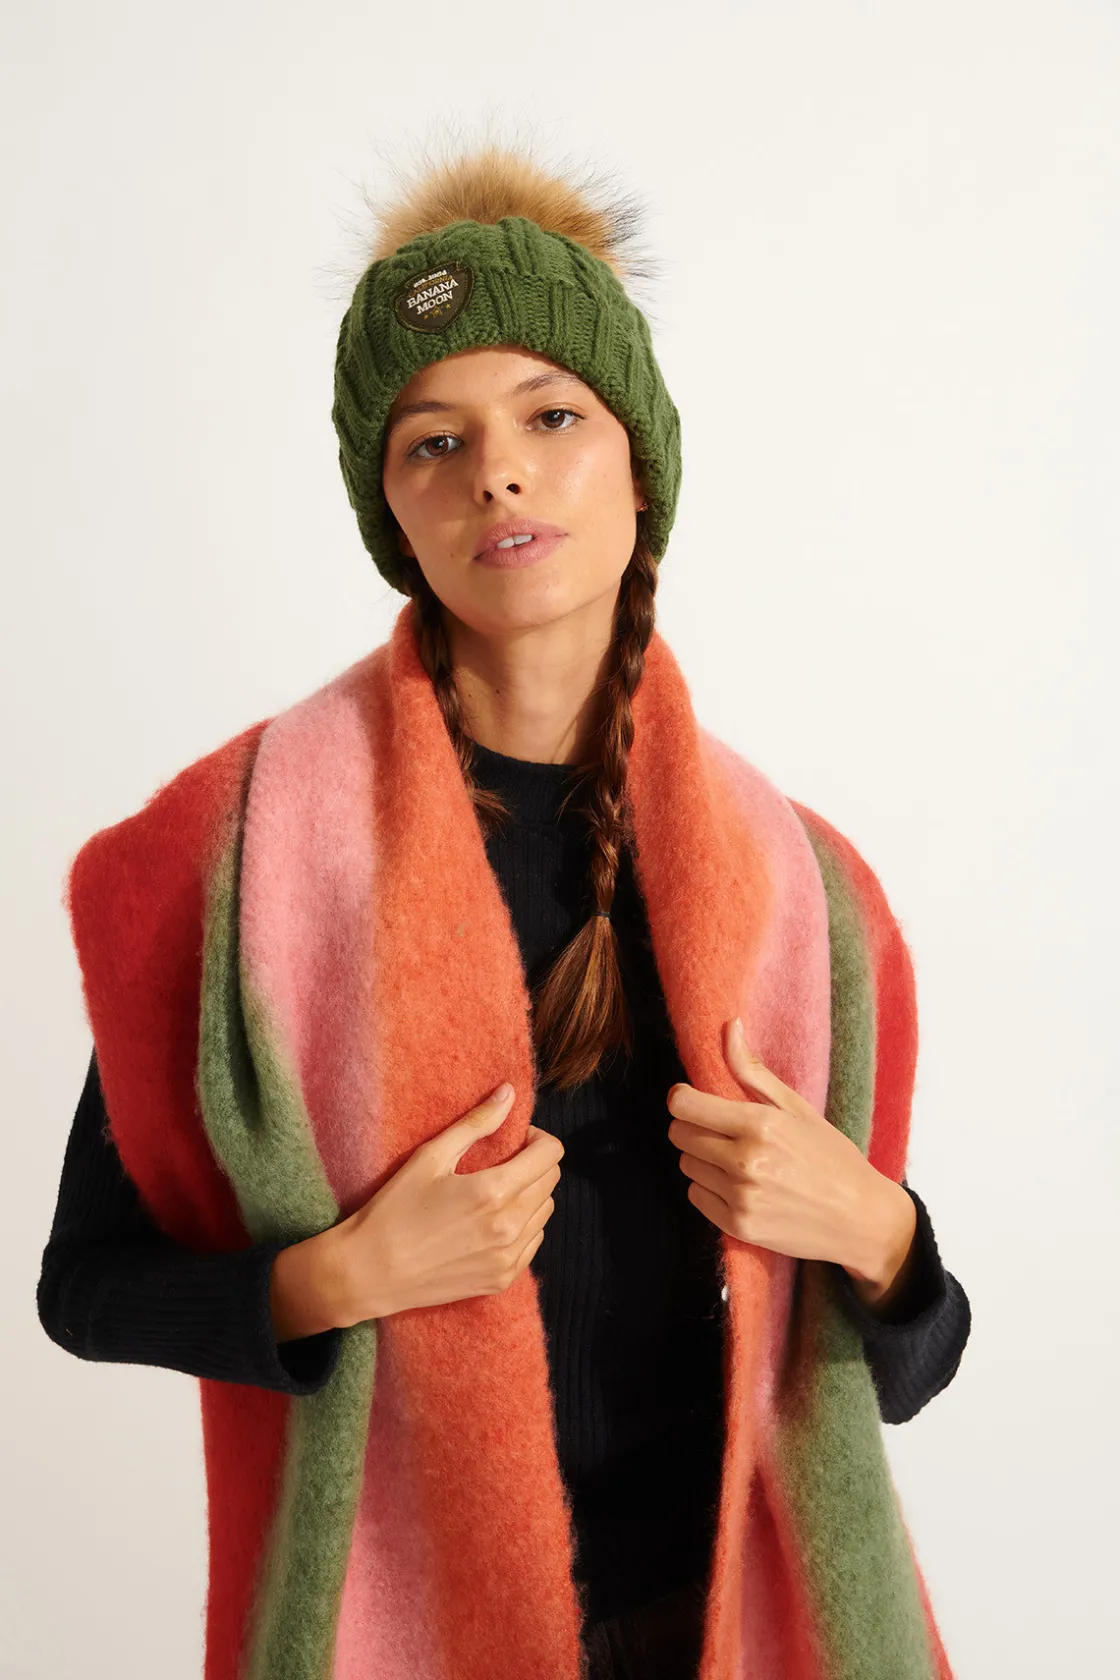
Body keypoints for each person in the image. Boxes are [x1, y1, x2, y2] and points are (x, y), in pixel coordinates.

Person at [39, 145, 971, 1680]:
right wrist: (343, 1276)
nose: (499, 474)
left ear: (639, 464)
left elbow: (910, 1364)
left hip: (716, 1629)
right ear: (391, 509)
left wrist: (877, 1231)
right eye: (435, 441)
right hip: (403, 1637)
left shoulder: (805, 891)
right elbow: (87, 1288)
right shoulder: (240, 866)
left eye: (552, 417)